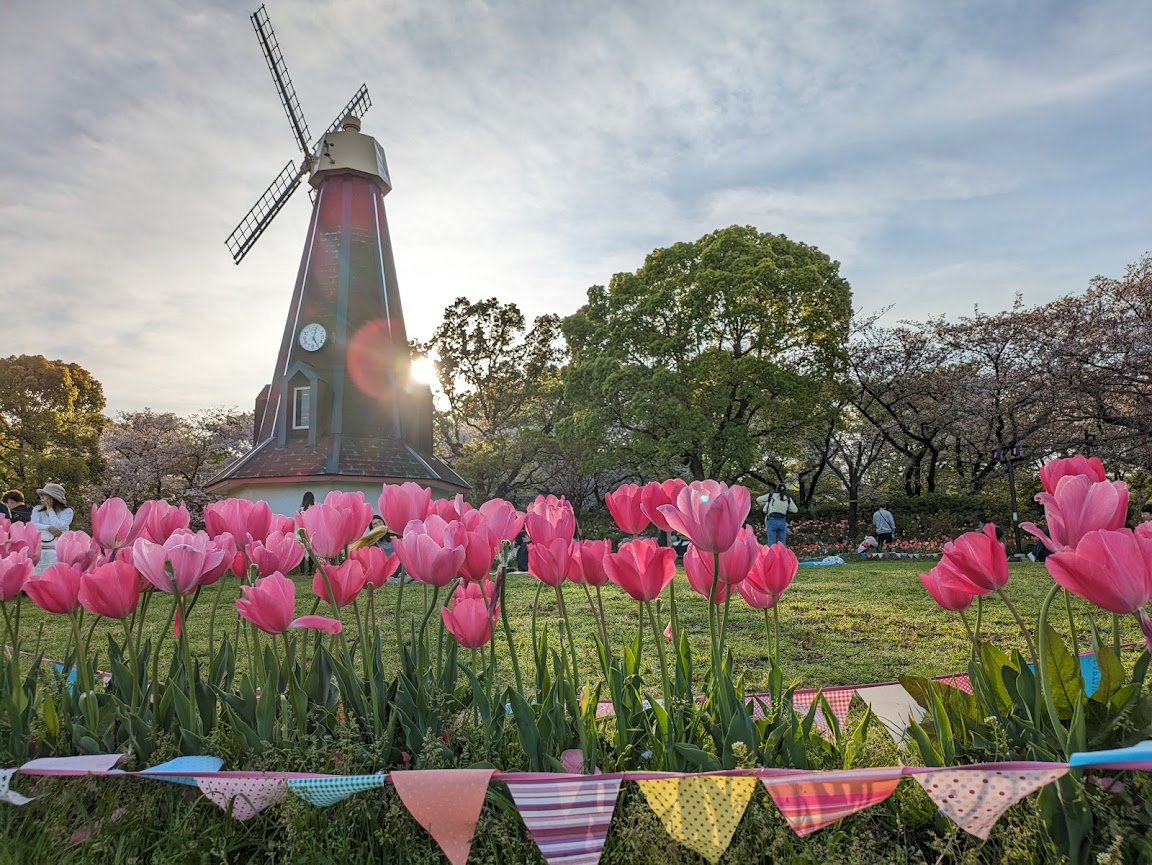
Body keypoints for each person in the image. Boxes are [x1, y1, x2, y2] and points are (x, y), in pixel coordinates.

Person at [31, 482, 74, 572]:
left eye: (44, 495)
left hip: (56, 550)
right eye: (41, 495)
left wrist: (50, 509)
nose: (41, 497)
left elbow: (59, 526)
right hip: (39, 549)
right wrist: (48, 528)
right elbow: (33, 525)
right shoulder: (37, 509)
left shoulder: (67, 512)